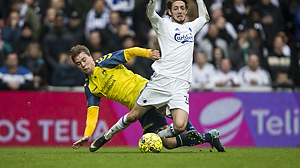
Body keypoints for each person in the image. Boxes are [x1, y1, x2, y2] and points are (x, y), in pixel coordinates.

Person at [89, 0, 224, 152]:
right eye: (176, 8)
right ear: (170, 12)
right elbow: (150, 14)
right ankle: (106, 137)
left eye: (182, 8)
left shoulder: (191, 28)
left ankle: (156, 138)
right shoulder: (164, 25)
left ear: (186, 11)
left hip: (181, 84)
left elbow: (205, 18)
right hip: (161, 81)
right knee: (133, 116)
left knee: (180, 126)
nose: (180, 11)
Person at [70, 45, 224, 152]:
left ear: (90, 57)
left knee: (163, 109)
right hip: (138, 108)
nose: (83, 65)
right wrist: (87, 134)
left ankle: (190, 129)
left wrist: (148, 53)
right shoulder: (89, 87)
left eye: (84, 60)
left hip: (146, 90)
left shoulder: (106, 62)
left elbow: (129, 52)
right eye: (78, 64)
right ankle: (209, 137)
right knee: (168, 143)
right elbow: (92, 112)